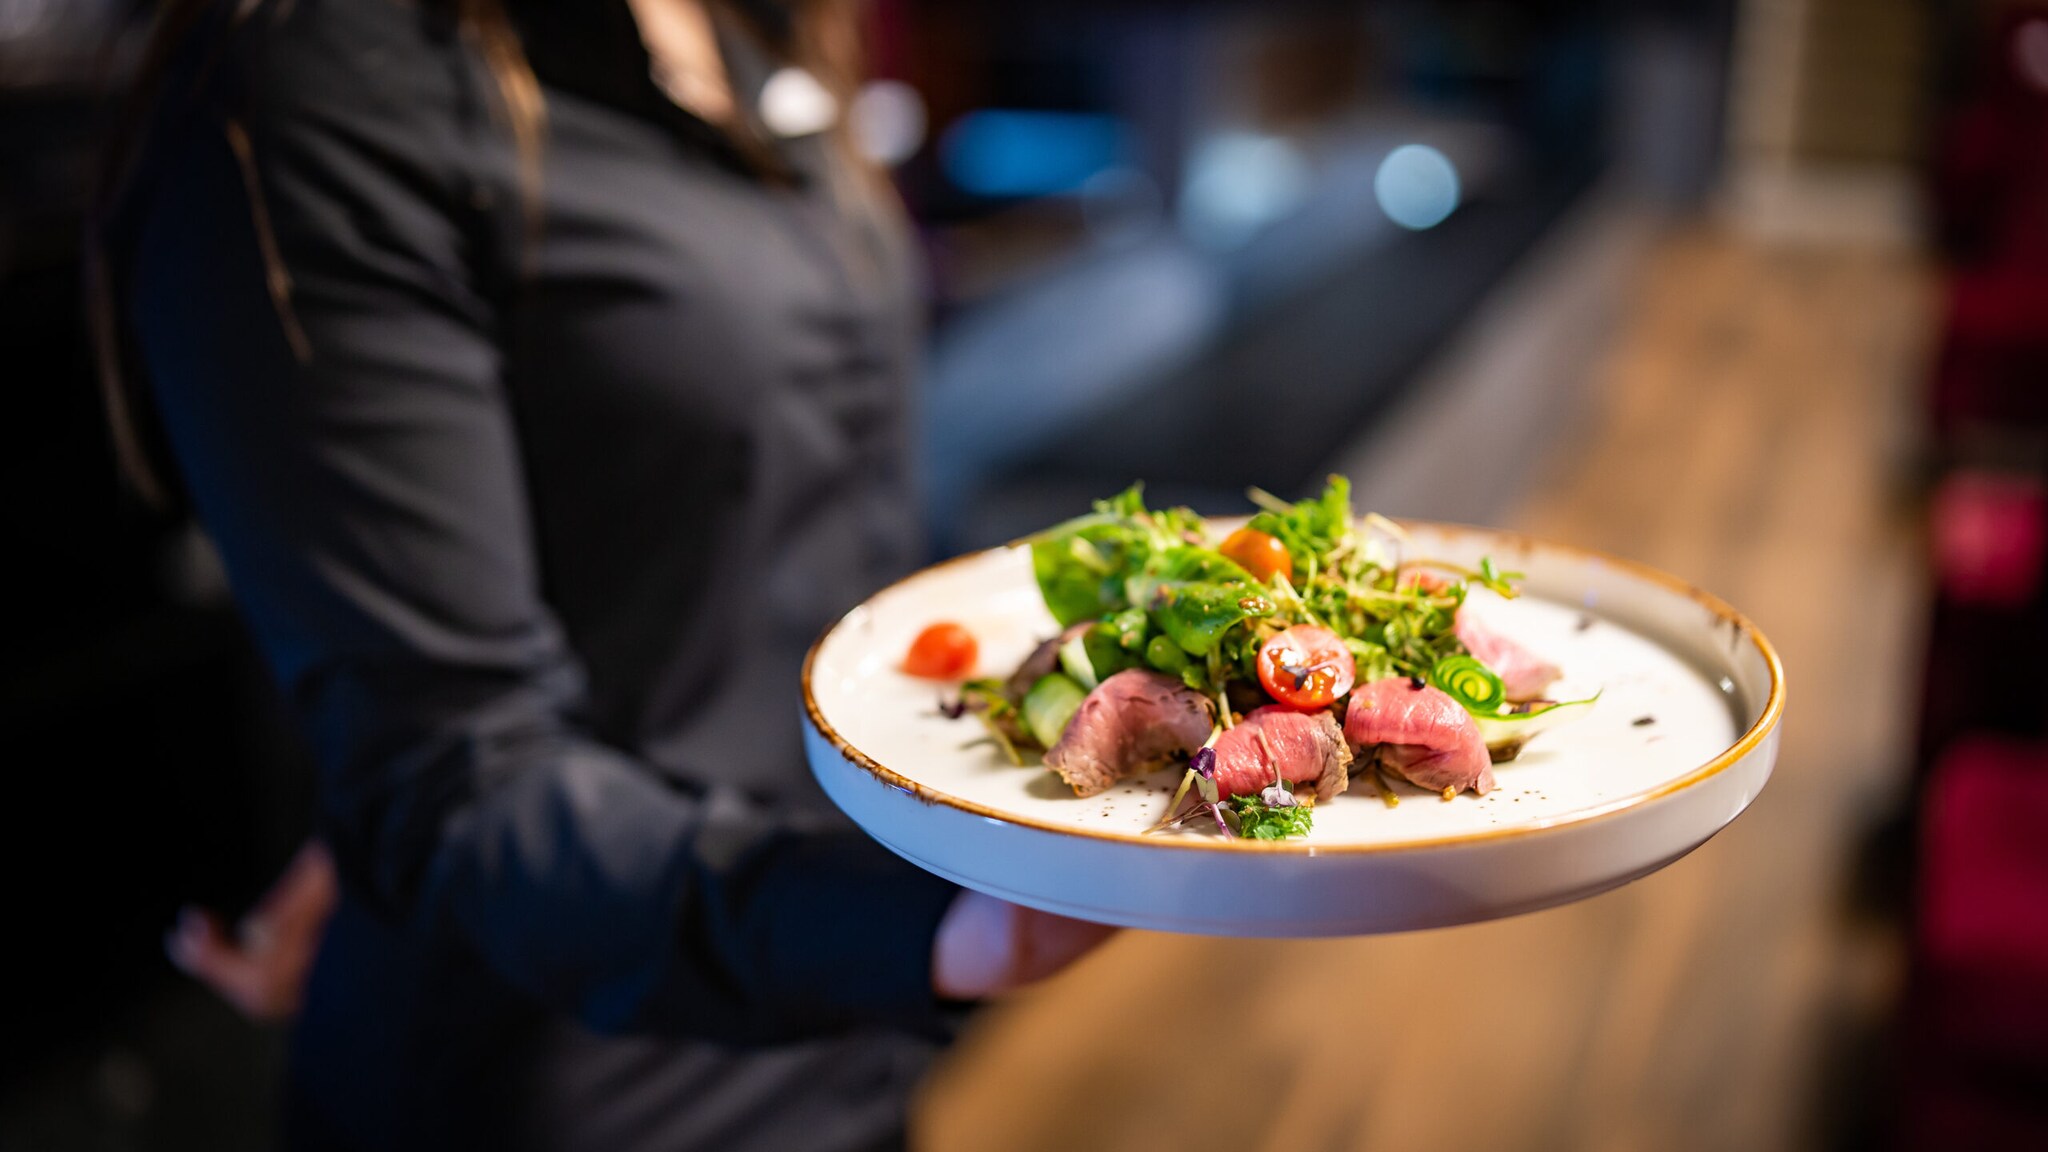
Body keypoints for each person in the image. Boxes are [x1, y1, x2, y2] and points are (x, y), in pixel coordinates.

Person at [89, 2, 1112, 1148]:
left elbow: (767, 514)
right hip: (586, 1088)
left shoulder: (736, 28)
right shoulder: (319, 81)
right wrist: (927, 924)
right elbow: (460, 766)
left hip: (851, 1045)